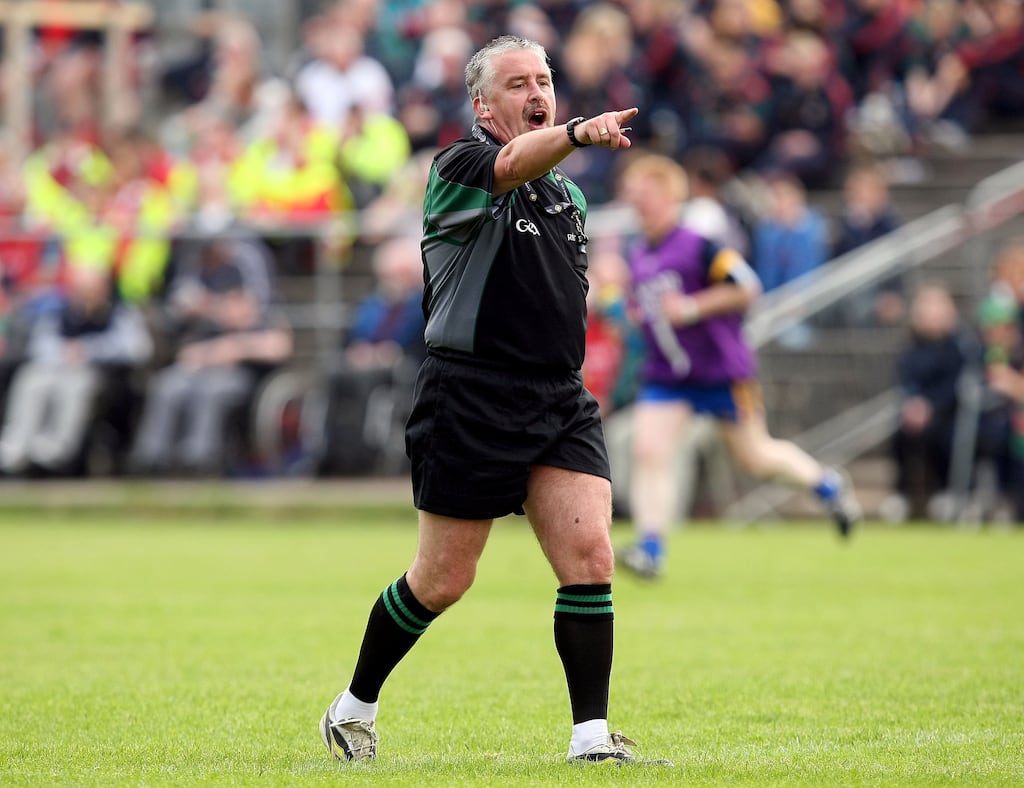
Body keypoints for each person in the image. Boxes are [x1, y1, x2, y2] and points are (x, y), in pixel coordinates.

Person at [319, 35, 669, 767]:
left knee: (591, 555)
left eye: (544, 79)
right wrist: (574, 133)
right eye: (517, 84)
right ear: (484, 104)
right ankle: (353, 708)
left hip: (557, 398)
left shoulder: (569, 194)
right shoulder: (462, 164)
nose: (536, 91)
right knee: (443, 579)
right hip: (469, 394)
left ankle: (590, 739)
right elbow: (511, 164)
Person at [613, 154, 861, 580]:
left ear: (671, 197)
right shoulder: (638, 253)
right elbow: (647, 307)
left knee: (755, 456)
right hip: (669, 375)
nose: (639, 204)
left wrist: (691, 307)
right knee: (649, 451)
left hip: (722, 371)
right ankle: (651, 549)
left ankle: (828, 485)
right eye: (635, 196)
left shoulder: (699, 243)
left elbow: (747, 287)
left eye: (647, 195)